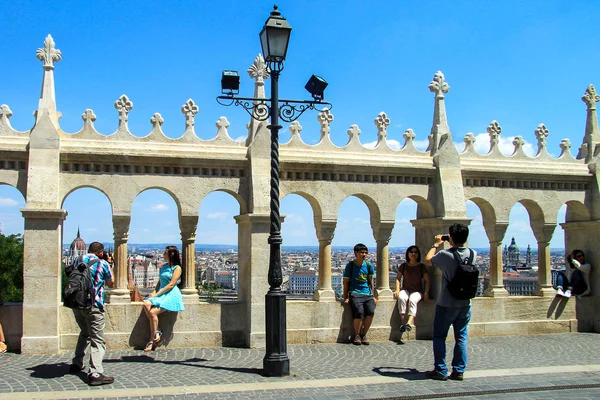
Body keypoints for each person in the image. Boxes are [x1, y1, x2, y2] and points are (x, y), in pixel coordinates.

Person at [423, 223, 475, 381]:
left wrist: (436, 244)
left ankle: (440, 370)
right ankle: (459, 370)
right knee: (461, 336)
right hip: (465, 303)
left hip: (447, 302)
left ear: (451, 237)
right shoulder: (473, 253)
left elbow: (427, 260)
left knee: (439, 336)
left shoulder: (446, 255)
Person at [70, 241, 115, 386]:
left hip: (77, 304)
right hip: (94, 305)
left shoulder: (79, 260)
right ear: (101, 252)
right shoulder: (103, 264)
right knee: (97, 339)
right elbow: (111, 283)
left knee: (84, 332)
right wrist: (109, 263)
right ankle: (95, 373)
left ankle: (77, 363)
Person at [142, 246, 185, 351]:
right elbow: (160, 282)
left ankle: (151, 341)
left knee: (152, 313)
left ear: (171, 255)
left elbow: (171, 284)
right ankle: (156, 331)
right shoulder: (164, 266)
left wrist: (157, 294)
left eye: (165, 253)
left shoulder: (177, 268)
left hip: (171, 294)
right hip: (161, 292)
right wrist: (154, 292)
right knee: (146, 304)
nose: (163, 255)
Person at [343, 243, 378, 345]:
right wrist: (346, 297)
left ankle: (364, 334)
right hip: (355, 293)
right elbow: (345, 282)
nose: (364, 254)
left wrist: (373, 295)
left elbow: (371, 281)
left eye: (366, 252)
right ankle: (357, 335)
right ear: (356, 253)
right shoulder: (350, 266)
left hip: (367, 293)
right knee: (359, 313)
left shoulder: (368, 265)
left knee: (370, 313)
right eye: (362, 252)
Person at [394, 245, 430, 335]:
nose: (413, 254)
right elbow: (398, 278)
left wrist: (426, 293)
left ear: (418, 254)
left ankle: (409, 322)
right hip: (405, 289)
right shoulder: (403, 266)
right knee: (402, 298)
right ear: (408, 254)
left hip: (417, 290)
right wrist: (397, 290)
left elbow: (428, 281)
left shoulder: (421, 267)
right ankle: (403, 323)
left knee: (413, 300)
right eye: (411, 252)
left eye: (415, 252)